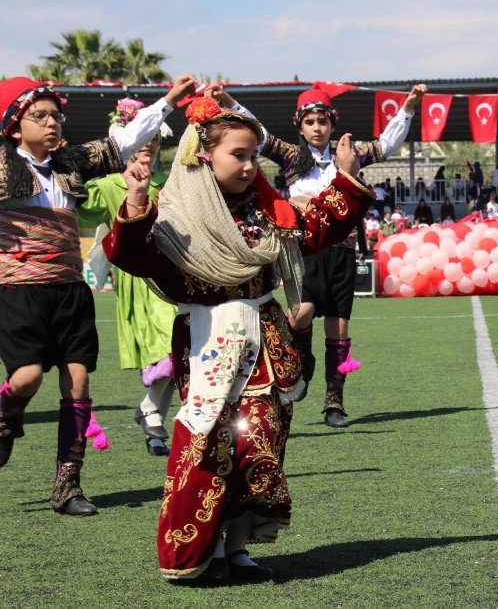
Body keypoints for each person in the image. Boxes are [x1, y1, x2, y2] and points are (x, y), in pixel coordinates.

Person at [103, 95, 374, 583]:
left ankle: (239, 549)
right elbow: (134, 257)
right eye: (239, 155)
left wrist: (346, 178)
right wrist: (139, 203)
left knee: (260, 443)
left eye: (254, 156)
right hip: (208, 343)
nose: (250, 166)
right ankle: (194, 554)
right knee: (208, 445)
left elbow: (313, 230)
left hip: (266, 342)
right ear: (204, 156)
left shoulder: (267, 211)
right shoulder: (176, 213)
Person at [0, 74, 196, 515]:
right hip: (17, 289)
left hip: (70, 288)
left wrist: (167, 101)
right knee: (26, 378)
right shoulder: (0, 164)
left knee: (79, 380)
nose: (52, 123)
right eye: (39, 116)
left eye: (55, 115)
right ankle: (4, 421)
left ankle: (68, 486)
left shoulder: (69, 161)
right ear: (14, 126)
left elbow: (125, 141)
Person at [243, 84, 424, 427]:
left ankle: (334, 401)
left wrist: (409, 107)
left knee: (338, 326)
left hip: (341, 251)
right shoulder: (291, 155)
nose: (316, 127)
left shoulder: (349, 153)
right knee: (300, 316)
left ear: (332, 124)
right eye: (309, 121)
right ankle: (304, 361)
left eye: (322, 120)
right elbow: (257, 134)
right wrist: (227, 103)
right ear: (299, 126)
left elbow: (387, 145)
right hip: (305, 250)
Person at [76, 98, 179, 456]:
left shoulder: (166, 183)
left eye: (152, 144)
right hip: (139, 283)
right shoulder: (105, 186)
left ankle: (152, 418)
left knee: (183, 349)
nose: (147, 150)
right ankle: (152, 417)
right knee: (175, 349)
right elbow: (77, 206)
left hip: (170, 277)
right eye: (140, 144)